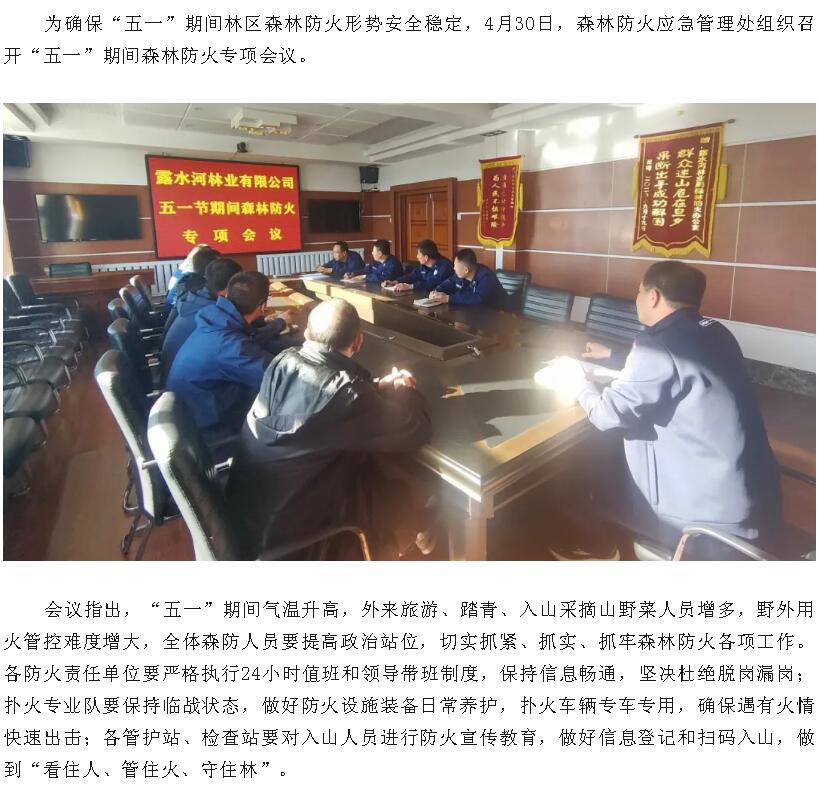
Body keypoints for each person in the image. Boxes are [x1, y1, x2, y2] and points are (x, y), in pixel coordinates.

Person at [565, 259, 782, 554]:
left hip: (701, 519)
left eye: (639, 292)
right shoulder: (715, 331)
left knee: (587, 483)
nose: (637, 298)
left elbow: (607, 414)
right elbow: (680, 364)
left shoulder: (656, 346)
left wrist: (577, 383)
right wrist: (613, 354)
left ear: (653, 297)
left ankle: (600, 550)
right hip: (750, 496)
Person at [226, 298, 432, 560]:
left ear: (307, 333)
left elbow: (318, 398)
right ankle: (418, 537)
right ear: (358, 342)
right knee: (408, 490)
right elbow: (417, 428)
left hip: (246, 513)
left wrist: (376, 386)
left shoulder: (283, 360)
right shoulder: (346, 395)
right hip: (291, 536)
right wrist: (404, 391)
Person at [166, 271, 289, 438]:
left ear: (227, 295)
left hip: (191, 412)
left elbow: (245, 342)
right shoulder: (230, 346)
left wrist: (276, 327)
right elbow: (281, 380)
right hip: (208, 429)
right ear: (262, 307)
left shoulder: (214, 319)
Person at [427, 247, 508, 310]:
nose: (453, 268)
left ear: (466, 270)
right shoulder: (461, 274)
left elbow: (478, 299)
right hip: (476, 313)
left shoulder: (486, 277)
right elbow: (450, 282)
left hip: (499, 314)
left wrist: (448, 298)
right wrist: (437, 290)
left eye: (455, 266)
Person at [384, 239, 453, 293]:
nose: (417, 256)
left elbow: (432, 283)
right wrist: (395, 282)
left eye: (418, 254)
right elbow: (412, 276)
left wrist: (410, 286)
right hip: (426, 295)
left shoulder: (445, 266)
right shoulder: (424, 265)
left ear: (426, 257)